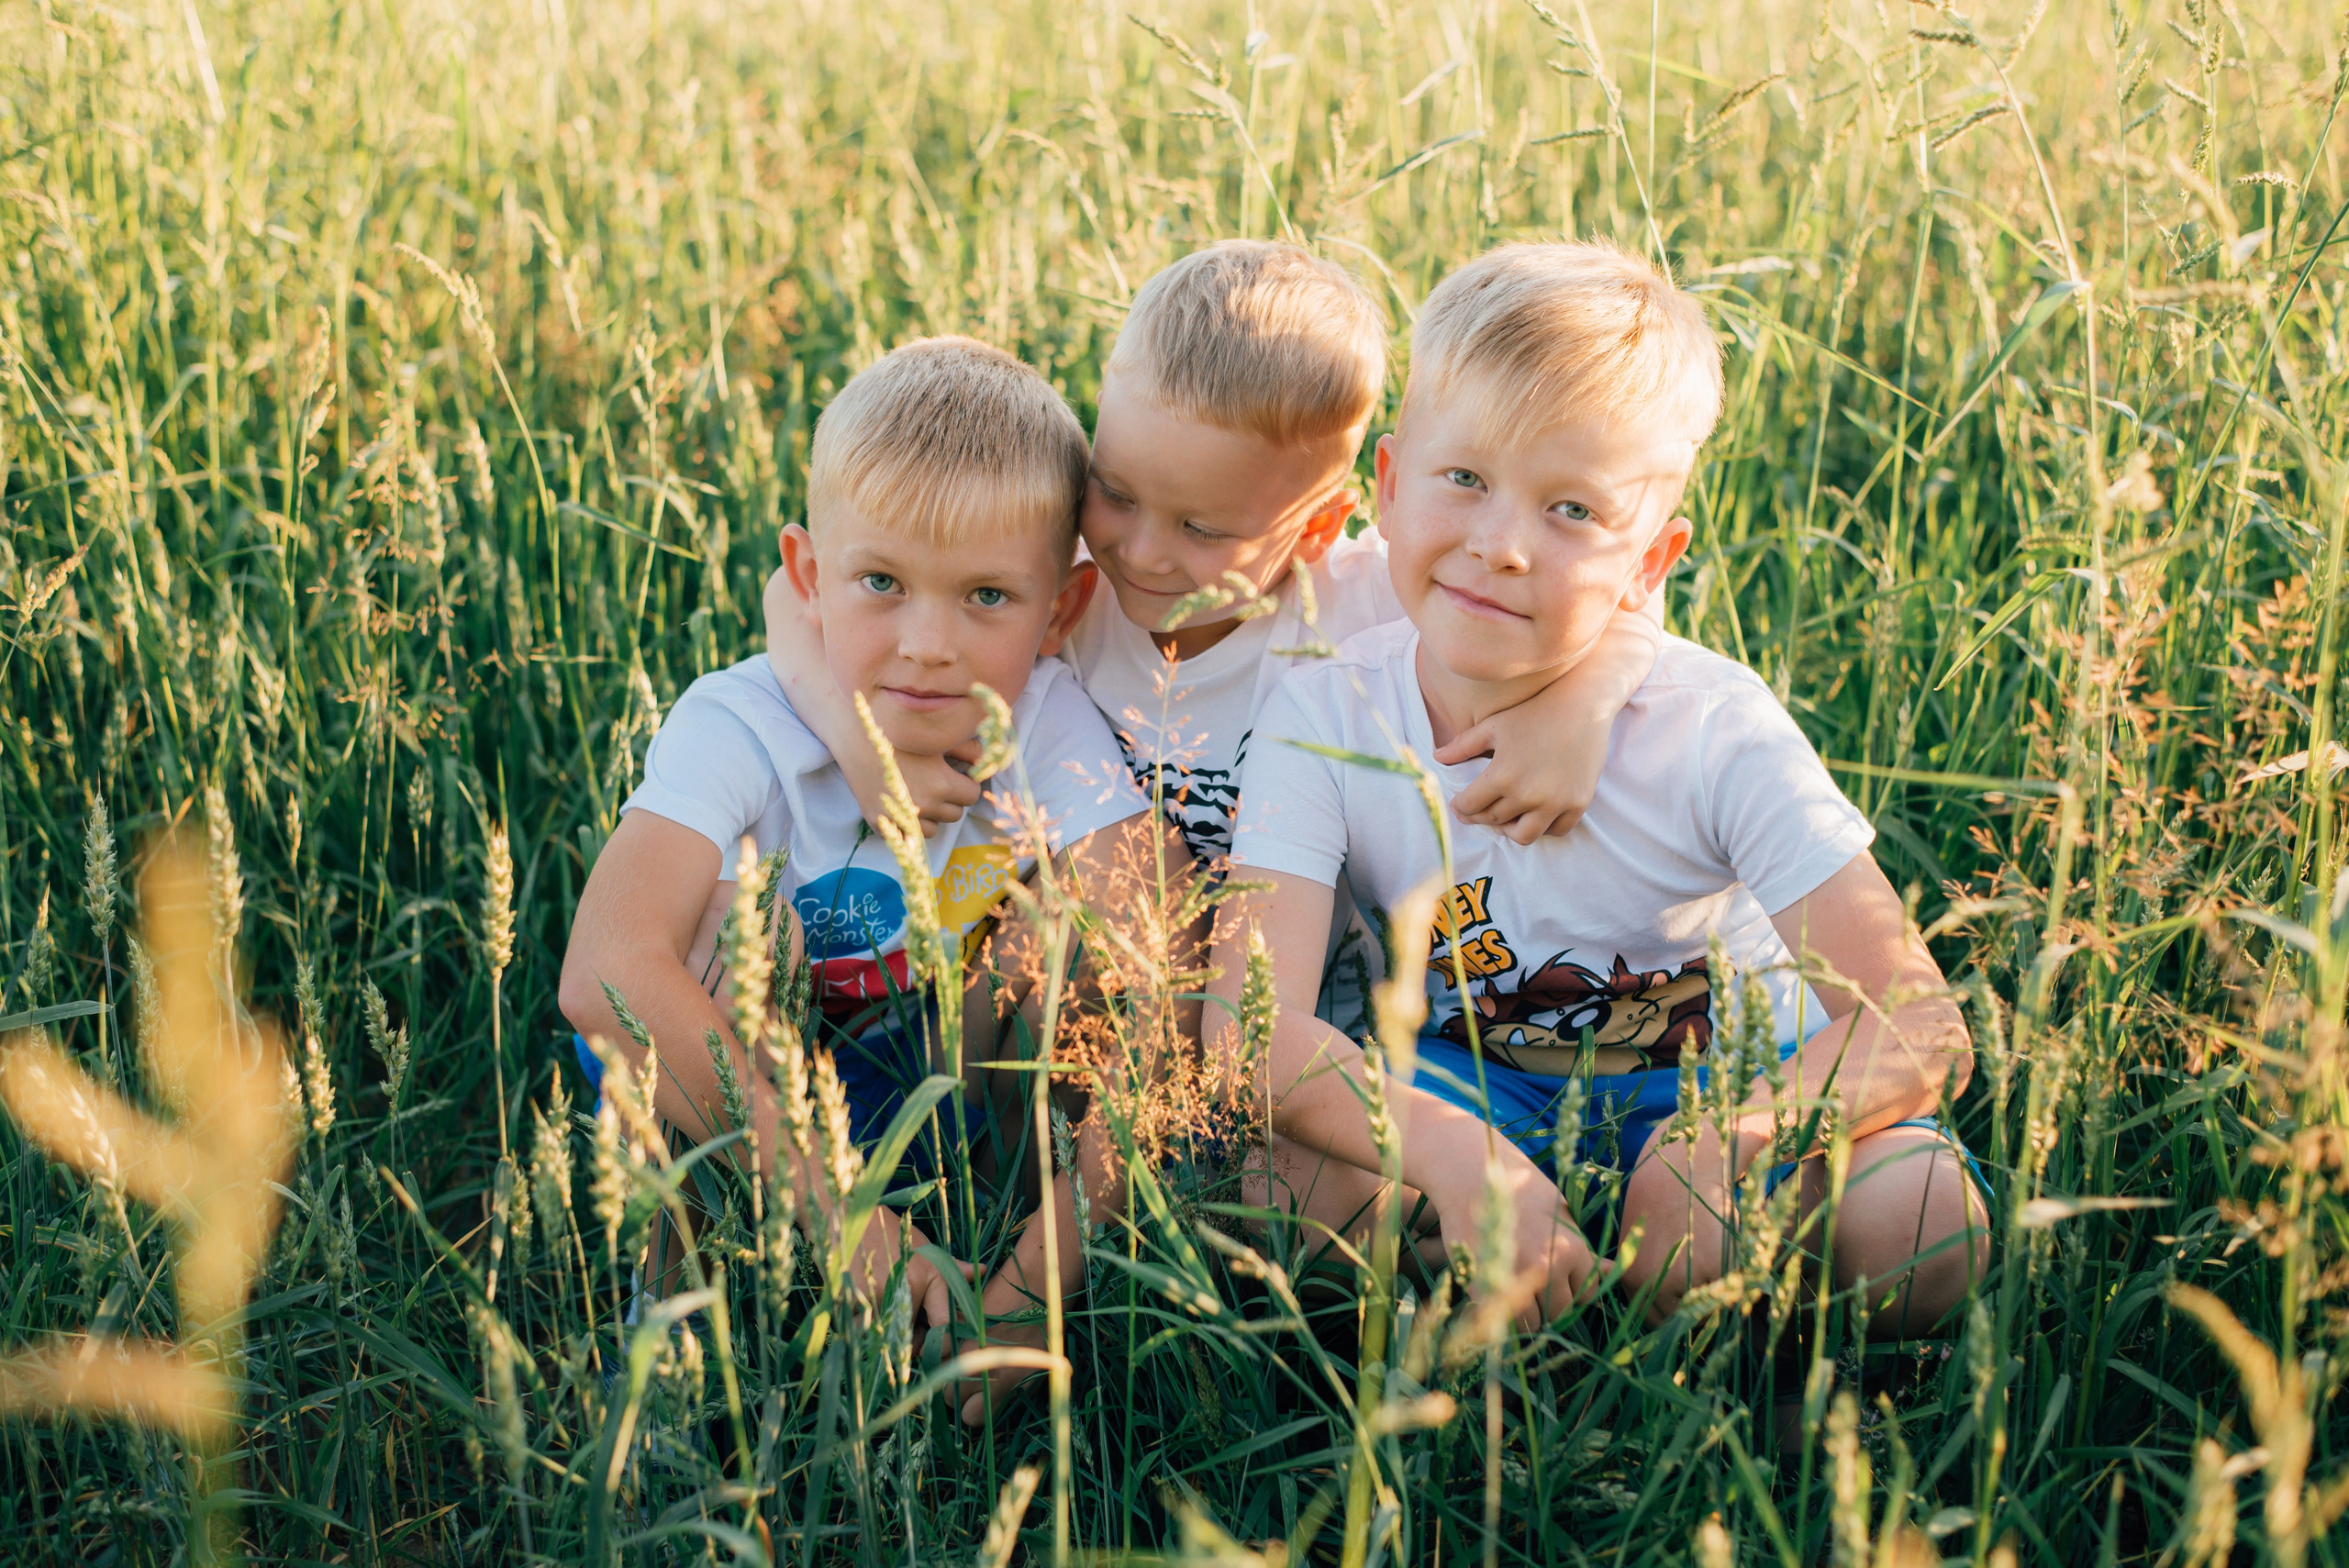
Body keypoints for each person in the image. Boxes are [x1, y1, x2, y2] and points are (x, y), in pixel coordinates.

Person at [763, 239, 1665, 1248]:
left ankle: (1501, 1239)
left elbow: (1613, 591)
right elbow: (794, 594)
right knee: (1054, 926)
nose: (1142, 550)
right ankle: (1012, 1205)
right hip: (1080, 1022)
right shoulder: (1056, 590)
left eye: (1203, 528)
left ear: (1320, 525)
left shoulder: (1362, 598)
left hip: (1285, 1040)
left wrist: (1585, 697)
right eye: (1116, 491)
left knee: (1293, 1219)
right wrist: (853, 734)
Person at [1208, 239, 1988, 1336]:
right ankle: (1527, 1301)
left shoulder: (1710, 726)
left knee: (1918, 1215)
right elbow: (1247, 1029)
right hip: (1478, 1078)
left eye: (1571, 510)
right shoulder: (1326, 709)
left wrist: (1735, 1136)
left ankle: (1732, 1360)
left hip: (1730, 1079)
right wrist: (1451, 1151)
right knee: (1285, 1191)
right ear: (1387, 485)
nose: (1502, 545)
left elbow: (1917, 1018)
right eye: (1465, 479)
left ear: (1649, 564)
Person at [559, 336, 1160, 1420]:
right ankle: (678, 1352)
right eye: (880, 582)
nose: (927, 644)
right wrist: (852, 1217)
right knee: (691, 946)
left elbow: (1159, 981)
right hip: (749, 1088)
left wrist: (1042, 1283)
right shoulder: (740, 721)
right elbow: (603, 968)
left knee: (1092, 938)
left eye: (985, 596)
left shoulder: (1052, 718)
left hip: (943, 1084)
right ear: (808, 576)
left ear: (1060, 609)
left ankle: (994, 1258)